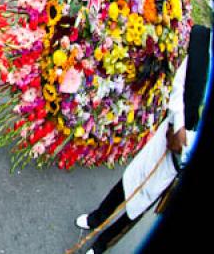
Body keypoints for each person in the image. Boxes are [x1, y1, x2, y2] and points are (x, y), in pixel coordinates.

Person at [74, 24, 211, 253]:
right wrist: (178, 127)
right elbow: (181, 83)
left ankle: (101, 245)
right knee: (132, 178)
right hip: (171, 133)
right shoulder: (204, 43)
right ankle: (97, 218)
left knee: (144, 200)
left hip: (187, 155)